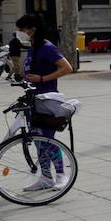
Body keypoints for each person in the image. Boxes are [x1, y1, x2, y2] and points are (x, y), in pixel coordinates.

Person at [16, 15, 74, 192]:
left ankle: (61, 175)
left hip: (47, 100)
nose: (19, 33)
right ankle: (46, 177)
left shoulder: (47, 47)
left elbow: (67, 68)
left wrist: (43, 78)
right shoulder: (33, 47)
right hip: (33, 101)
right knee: (39, 141)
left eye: (21, 29)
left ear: (31, 29)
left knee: (48, 140)